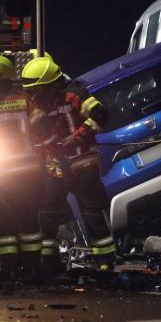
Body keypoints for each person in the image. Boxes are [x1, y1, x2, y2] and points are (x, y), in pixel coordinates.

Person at [21, 56, 116, 272]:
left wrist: (77, 136)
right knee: (47, 212)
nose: (33, 97)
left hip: (81, 163)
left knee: (91, 211)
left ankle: (105, 261)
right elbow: (31, 130)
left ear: (51, 86)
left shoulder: (74, 95)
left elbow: (100, 115)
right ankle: (49, 261)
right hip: (56, 166)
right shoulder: (42, 104)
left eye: (36, 91)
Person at [0, 55, 43, 280]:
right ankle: (32, 267)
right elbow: (41, 127)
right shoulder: (25, 100)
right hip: (28, 172)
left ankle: (8, 268)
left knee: (6, 222)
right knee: (28, 220)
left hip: (6, 175)